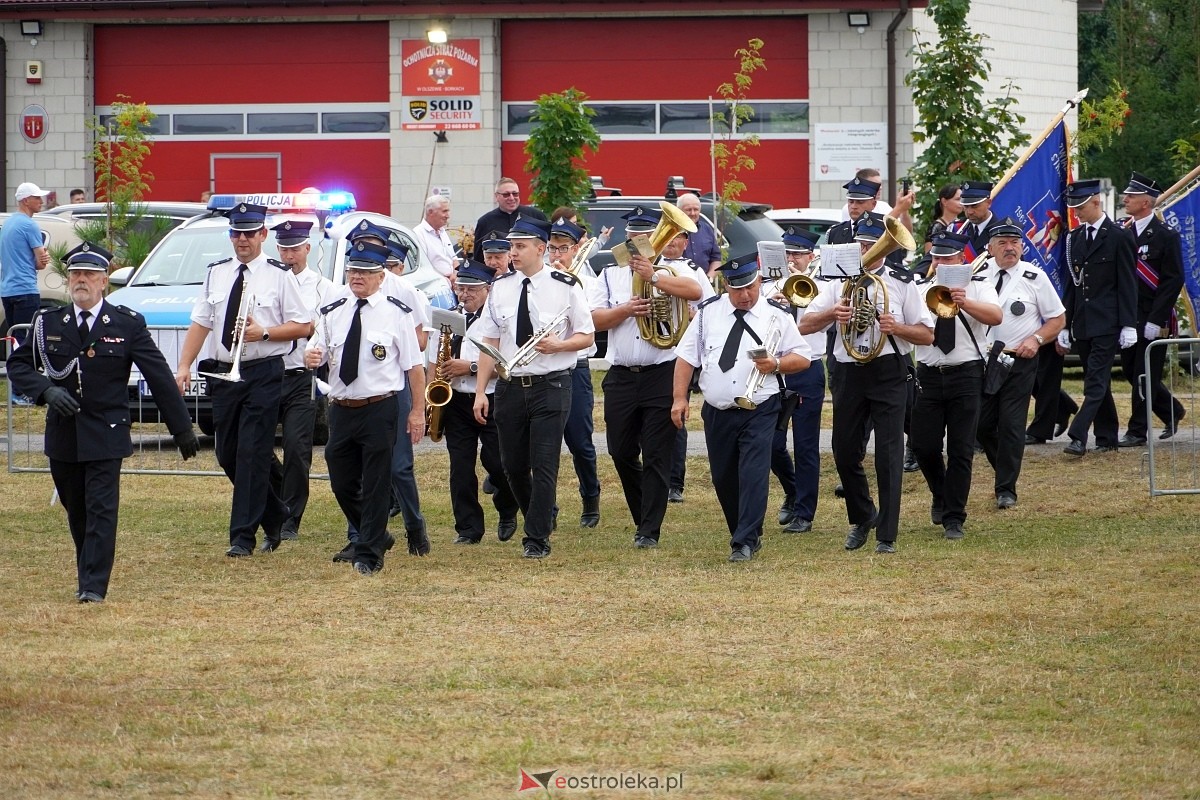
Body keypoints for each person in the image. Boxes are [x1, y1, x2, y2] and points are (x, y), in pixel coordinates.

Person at [6, 242, 199, 602]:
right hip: (64, 434)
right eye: (75, 274)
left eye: (89, 274)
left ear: (104, 281)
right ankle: (87, 571)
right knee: (76, 509)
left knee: (101, 509)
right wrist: (46, 391)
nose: (81, 280)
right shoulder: (48, 322)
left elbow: (157, 376)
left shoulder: (126, 324)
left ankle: (93, 587)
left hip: (107, 433)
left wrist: (182, 428)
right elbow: (18, 365)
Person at [174, 203, 311, 557]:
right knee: (227, 454)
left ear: (263, 234)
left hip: (263, 372)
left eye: (250, 233)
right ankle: (276, 511)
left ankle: (242, 537)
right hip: (224, 372)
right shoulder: (216, 273)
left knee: (252, 452)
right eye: (236, 233)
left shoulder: (280, 275)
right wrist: (184, 365)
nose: (243, 239)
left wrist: (264, 333)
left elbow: (303, 325)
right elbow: (202, 321)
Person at [800, 206, 934, 554]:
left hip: (889, 369)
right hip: (847, 370)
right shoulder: (836, 281)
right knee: (843, 452)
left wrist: (897, 327)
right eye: (862, 243)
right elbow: (803, 325)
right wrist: (833, 313)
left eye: (874, 244)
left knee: (889, 455)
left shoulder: (903, 283)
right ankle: (863, 516)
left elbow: (926, 335)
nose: (866, 250)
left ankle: (886, 535)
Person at [471, 217, 595, 559]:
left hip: (552, 384)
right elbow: (490, 342)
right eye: (512, 246)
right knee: (512, 466)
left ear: (541, 248)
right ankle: (540, 516)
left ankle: (536, 539)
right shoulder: (501, 287)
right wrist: (482, 391)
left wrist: (560, 346)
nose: (513, 252)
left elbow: (587, 335)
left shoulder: (565, 285)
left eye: (520, 246)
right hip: (511, 386)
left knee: (544, 463)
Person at [672, 257, 811, 562]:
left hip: (761, 406)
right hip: (717, 409)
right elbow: (686, 358)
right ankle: (745, 531)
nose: (745, 295)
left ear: (759, 282)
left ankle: (744, 541)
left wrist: (776, 364)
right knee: (723, 477)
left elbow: (803, 357)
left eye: (750, 287)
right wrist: (680, 398)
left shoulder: (777, 315)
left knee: (753, 473)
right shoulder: (708, 313)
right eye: (737, 290)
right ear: (726, 287)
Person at [305, 240, 426, 575]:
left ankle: (369, 554)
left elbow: (414, 368)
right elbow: (317, 349)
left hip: (380, 406)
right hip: (342, 407)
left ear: (380, 277)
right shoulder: (334, 309)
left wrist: (418, 412)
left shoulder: (396, 313)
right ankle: (376, 533)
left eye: (366, 272)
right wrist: (311, 356)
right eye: (353, 270)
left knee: (375, 480)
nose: (357, 277)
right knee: (341, 479)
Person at [590, 207, 707, 549]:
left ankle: (649, 530)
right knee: (620, 450)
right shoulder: (610, 275)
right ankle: (644, 514)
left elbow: (695, 292)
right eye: (634, 238)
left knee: (657, 454)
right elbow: (595, 320)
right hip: (622, 375)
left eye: (647, 237)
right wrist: (625, 310)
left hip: (663, 373)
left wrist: (654, 276)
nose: (639, 243)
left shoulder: (679, 268)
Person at [910, 232, 1002, 540]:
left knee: (961, 448)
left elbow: (996, 316)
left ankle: (954, 517)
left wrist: (967, 302)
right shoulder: (920, 287)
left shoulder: (979, 284)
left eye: (947, 258)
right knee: (923, 445)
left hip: (966, 373)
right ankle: (940, 492)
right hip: (929, 373)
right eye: (936, 258)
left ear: (960, 259)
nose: (939, 263)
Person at [976, 218, 1066, 508]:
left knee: (1013, 425)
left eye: (1014, 242)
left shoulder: (1035, 277)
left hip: (1019, 360)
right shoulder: (976, 275)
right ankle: (1003, 469)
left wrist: (1037, 340)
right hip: (983, 360)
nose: (1009, 248)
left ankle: (1006, 489)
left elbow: (1057, 319)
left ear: (1023, 246)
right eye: (1002, 243)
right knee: (980, 425)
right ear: (990, 248)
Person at [432, 261, 520, 544]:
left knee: (499, 462)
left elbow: (508, 365)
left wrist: (469, 367)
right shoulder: (448, 317)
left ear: (487, 289)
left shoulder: (500, 320)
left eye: (471, 289)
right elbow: (434, 357)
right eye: (461, 287)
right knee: (460, 467)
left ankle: (508, 509)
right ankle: (468, 528)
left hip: (493, 398)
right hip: (457, 401)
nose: (464, 294)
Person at [266, 219, 338, 541]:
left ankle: (290, 519)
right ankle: (278, 499)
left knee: (297, 448)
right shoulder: (266, 281)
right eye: (283, 248)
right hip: (266, 374)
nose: (289, 255)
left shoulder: (324, 288)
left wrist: (315, 345)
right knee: (256, 446)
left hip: (300, 376)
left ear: (307, 248)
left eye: (295, 248)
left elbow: (327, 329)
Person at [1060, 180, 1138, 456]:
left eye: (1080, 207)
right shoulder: (1075, 238)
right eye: (1074, 208)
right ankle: (1107, 437)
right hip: (1083, 321)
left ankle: (1078, 434)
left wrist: (1129, 323)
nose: (1077, 213)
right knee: (1099, 381)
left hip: (1108, 321)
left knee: (1094, 380)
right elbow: (1073, 285)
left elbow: (1128, 282)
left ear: (1096, 202)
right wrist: (1064, 323)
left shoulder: (1119, 235)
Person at [1116, 172, 1186, 445]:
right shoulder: (1123, 230)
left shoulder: (1165, 235)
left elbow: (1173, 279)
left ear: (1146, 202)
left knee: (1144, 374)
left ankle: (1137, 431)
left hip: (1153, 315)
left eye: (1131, 196)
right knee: (1130, 371)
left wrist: (1156, 320)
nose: (1126, 199)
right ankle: (1172, 410)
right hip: (1127, 313)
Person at [768, 226, 826, 533]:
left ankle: (805, 512)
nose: (792, 259)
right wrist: (772, 303)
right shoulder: (767, 286)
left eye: (798, 254)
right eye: (787, 253)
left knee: (805, 446)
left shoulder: (820, 287)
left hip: (807, 369)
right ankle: (792, 490)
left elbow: (816, 325)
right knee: (771, 444)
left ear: (810, 256)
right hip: (774, 371)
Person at [548, 217, 602, 528]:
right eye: (552, 249)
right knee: (547, 442)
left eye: (563, 249)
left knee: (580, 440)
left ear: (576, 248)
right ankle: (549, 507)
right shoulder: (541, 280)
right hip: (549, 369)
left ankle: (591, 496)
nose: (557, 256)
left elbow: (589, 325)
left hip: (576, 366)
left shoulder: (589, 283)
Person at [1, 182, 52, 344]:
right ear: (25, 200)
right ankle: (24, 368)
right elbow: (40, 263)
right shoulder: (29, 225)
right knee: (27, 338)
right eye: (37, 197)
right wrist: (44, 258)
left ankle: (14, 366)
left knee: (14, 337)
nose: (41, 201)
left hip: (7, 290)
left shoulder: (7, 224)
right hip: (25, 289)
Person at [470, 178, 547, 262]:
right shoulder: (485, 222)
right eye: (506, 195)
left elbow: (547, 248)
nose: (511, 198)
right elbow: (478, 257)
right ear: (496, 196)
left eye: (515, 194)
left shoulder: (536, 216)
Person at [415, 194, 458, 290]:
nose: (448, 216)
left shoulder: (442, 231)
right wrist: (445, 280)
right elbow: (424, 266)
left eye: (448, 211)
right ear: (430, 212)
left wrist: (455, 274)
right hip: (436, 288)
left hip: (452, 286)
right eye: (444, 211)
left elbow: (454, 259)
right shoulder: (419, 234)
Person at [676, 192, 722, 277]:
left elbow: (716, 259)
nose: (693, 213)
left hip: (703, 284)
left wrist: (709, 279)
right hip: (678, 283)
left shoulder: (707, 229)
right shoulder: (671, 231)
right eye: (688, 210)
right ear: (679, 210)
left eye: (696, 209)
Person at [957, 181, 999, 257]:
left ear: (988, 203)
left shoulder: (1002, 230)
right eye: (966, 206)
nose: (969, 212)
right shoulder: (957, 229)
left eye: (974, 206)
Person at [922, 183, 963, 254]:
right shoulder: (936, 227)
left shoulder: (964, 224)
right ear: (944, 201)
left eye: (962, 199)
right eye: (957, 199)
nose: (961, 203)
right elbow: (929, 256)